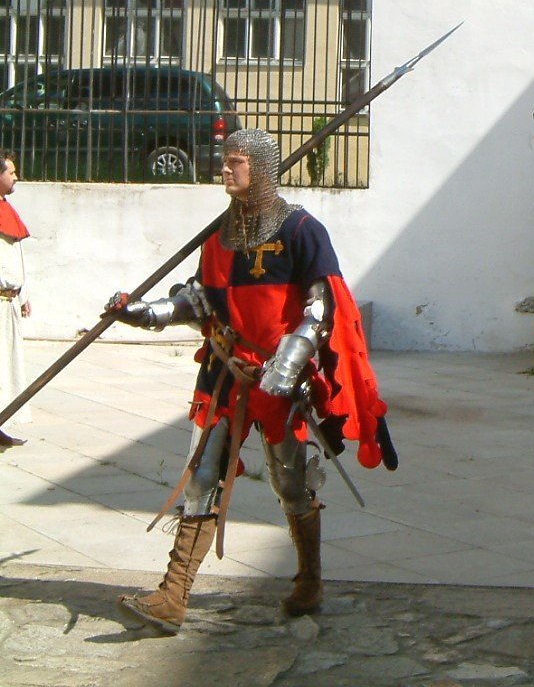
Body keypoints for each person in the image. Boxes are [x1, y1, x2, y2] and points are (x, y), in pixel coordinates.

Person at [108, 128, 394, 636]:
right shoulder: (220, 235)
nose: (226, 169)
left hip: (279, 380)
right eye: (226, 161)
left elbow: (321, 308)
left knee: (290, 482)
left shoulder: (303, 230)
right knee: (200, 478)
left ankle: (309, 581)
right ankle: (173, 595)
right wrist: (143, 312)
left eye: (236, 162)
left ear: (259, 169)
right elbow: (199, 301)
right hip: (224, 372)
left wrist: (285, 368)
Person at [0, 152, 31, 450]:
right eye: (11, 172)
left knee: (7, 367)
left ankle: (2, 422)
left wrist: (23, 295)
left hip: (8, 304)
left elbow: (15, 259)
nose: (15, 177)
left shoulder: (7, 210)